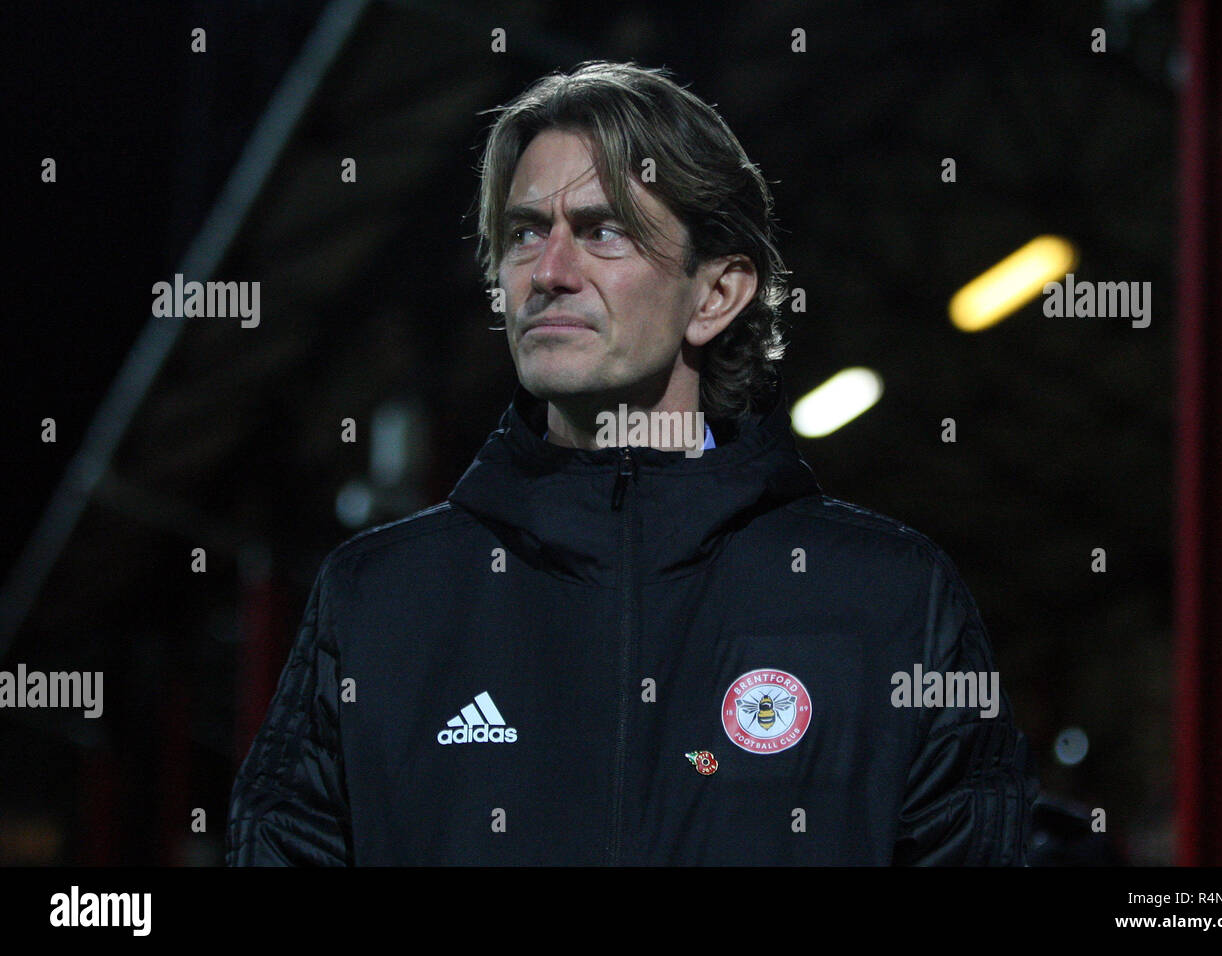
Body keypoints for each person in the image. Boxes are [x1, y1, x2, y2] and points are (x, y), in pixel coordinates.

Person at [226, 60, 1038, 866]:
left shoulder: (889, 600)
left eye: (602, 230)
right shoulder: (379, 601)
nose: (548, 272)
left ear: (716, 294)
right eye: (524, 233)